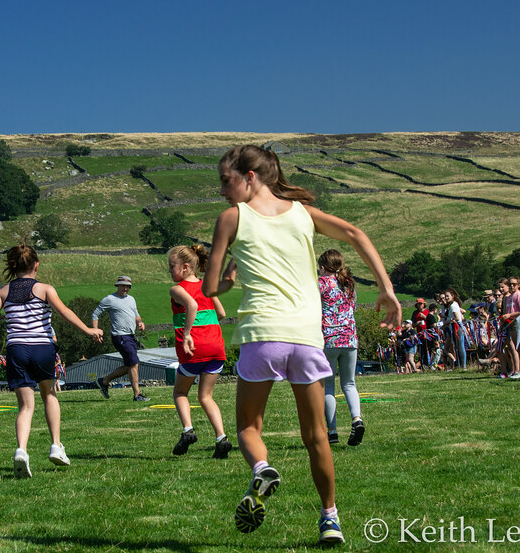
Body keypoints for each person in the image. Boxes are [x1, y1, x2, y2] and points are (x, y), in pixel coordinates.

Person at [202, 145, 400, 545]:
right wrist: (387, 290)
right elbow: (356, 234)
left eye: (226, 181)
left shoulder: (231, 218)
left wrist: (232, 276)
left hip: (262, 336)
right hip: (308, 338)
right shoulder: (303, 214)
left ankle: (261, 470)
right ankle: (330, 518)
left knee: (247, 427)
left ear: (251, 177)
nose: (222, 191)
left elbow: (209, 288)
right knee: (317, 437)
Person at [0, 242, 103, 478]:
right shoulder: (45, 289)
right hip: (42, 348)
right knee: (49, 394)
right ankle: (56, 445)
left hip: (17, 350)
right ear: (36, 265)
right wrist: (88, 330)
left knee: (25, 406)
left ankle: (21, 451)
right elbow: (64, 312)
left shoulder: (3, 292)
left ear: (13, 266)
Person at [166, 244, 232, 459]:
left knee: (180, 393)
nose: (169, 270)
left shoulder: (177, 289)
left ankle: (187, 430)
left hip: (193, 348)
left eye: (171, 266)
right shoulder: (207, 286)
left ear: (185, 268)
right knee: (206, 396)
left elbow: (192, 305)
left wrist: (187, 333)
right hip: (215, 347)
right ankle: (221, 437)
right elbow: (221, 313)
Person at [318, 249, 365, 446]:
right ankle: (357, 419)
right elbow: (352, 307)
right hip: (350, 339)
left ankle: (333, 431)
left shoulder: (320, 284)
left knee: (328, 386)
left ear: (322, 267)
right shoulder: (348, 285)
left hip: (329, 339)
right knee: (349, 383)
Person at [93, 276, 149, 401]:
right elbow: (95, 314)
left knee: (130, 365)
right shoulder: (110, 299)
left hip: (130, 335)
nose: (125, 288)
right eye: (122, 285)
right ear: (117, 285)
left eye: (127, 286)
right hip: (119, 336)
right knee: (134, 363)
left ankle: (105, 381)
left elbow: (136, 315)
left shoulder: (131, 299)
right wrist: (95, 331)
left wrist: (140, 322)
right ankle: (137, 395)